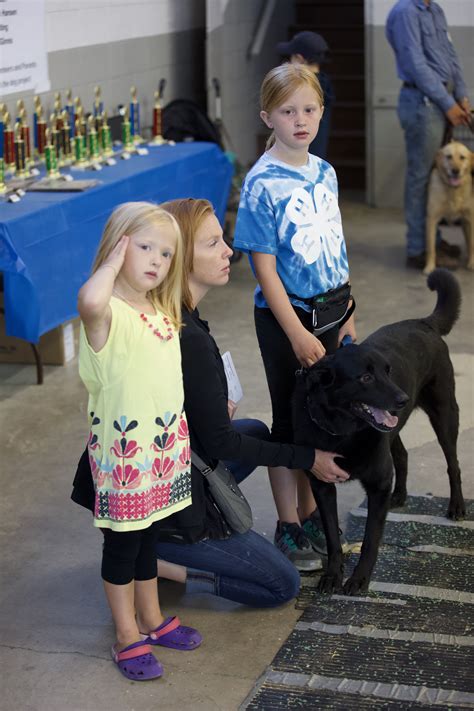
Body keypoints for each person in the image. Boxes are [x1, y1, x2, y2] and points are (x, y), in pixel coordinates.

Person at [72, 197, 350, 609]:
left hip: (162, 457)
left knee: (252, 430)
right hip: (145, 483)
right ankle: (168, 558)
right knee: (280, 584)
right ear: (182, 257)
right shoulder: (184, 334)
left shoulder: (181, 316)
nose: (229, 252)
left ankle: (153, 543)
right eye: (213, 244)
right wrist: (307, 457)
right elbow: (221, 445)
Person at [232, 63, 356, 571]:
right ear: (268, 116)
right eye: (288, 111)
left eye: (309, 109)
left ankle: (310, 513)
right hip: (289, 322)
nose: (300, 120)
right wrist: (296, 332)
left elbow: (337, 248)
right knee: (289, 421)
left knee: (320, 419)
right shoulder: (261, 183)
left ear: (322, 111)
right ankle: (287, 522)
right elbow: (265, 273)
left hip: (331, 313)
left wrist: (348, 313)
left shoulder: (324, 171)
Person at [77, 202, 201, 681]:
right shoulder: (107, 313)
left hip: (161, 452)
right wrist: (111, 262)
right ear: (118, 246)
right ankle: (126, 632)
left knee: (149, 536)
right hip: (126, 459)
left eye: (165, 253)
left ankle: (151, 618)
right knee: (123, 547)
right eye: (143, 247)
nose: (155, 260)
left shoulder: (160, 308)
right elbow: (88, 299)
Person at [386, 0, 472, 269]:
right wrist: (449, 104)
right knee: (421, 178)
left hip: (443, 100)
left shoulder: (435, 10)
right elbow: (416, 64)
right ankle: (418, 250)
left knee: (438, 175)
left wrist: (462, 96)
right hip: (423, 104)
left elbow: (450, 55)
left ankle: (431, 240)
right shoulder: (405, 12)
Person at [277, 30, 334, 160]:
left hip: (300, 158)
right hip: (314, 158)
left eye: (291, 58)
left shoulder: (302, 89)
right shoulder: (324, 84)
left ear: (299, 58)